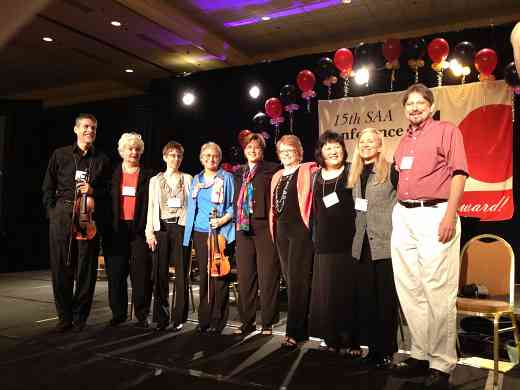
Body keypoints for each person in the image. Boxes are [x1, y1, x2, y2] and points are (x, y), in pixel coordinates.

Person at [391, 84, 468, 390]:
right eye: (409, 104)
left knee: (437, 289)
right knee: (410, 288)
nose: (414, 108)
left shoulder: (447, 130)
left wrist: (450, 215)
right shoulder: (402, 141)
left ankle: (442, 362)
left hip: (435, 212)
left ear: (431, 106)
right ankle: (420, 354)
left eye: (420, 103)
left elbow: (459, 173)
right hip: (404, 214)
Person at [42, 113, 111, 332]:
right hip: (62, 217)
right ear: (76, 129)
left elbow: (109, 192)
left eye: (93, 128)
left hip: (87, 219)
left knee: (86, 270)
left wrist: (93, 191)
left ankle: (80, 317)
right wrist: (52, 213)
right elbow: (48, 187)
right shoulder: (60, 154)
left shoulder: (102, 159)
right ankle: (64, 317)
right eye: (86, 127)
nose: (90, 130)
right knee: (61, 268)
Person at [347, 128, 398, 368]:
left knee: (385, 301)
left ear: (379, 146)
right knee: (368, 301)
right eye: (362, 141)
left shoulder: (390, 171)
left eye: (371, 141)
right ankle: (374, 350)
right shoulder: (356, 173)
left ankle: (387, 350)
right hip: (362, 246)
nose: (366, 145)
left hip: (385, 245)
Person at [309, 131, 355, 353]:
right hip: (324, 242)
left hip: (350, 241)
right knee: (327, 293)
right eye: (328, 147)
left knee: (348, 292)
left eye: (337, 146)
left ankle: (352, 339)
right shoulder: (315, 176)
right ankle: (331, 337)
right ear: (321, 152)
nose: (333, 151)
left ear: (343, 149)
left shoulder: (352, 171)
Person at [269, 135, 317, 349]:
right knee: (290, 280)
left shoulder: (308, 169)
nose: (287, 154)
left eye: (291, 150)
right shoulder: (277, 175)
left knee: (298, 280)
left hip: (300, 230)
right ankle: (302, 327)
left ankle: (294, 331)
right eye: (283, 151)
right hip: (281, 230)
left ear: (299, 152)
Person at [183, 142, 235, 334]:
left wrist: (221, 221)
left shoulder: (227, 178)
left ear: (219, 158)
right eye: (207, 156)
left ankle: (217, 320)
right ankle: (203, 319)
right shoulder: (196, 179)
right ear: (201, 158)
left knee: (219, 277)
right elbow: (192, 208)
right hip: (200, 232)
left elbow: (233, 206)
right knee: (204, 276)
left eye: (214, 156)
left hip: (220, 233)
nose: (211, 159)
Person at [103, 132, 154, 328]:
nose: (133, 152)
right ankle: (118, 314)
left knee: (141, 275)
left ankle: (142, 315)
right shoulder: (111, 174)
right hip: (116, 231)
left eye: (137, 149)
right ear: (122, 151)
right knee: (116, 274)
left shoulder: (149, 175)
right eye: (130, 149)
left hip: (140, 231)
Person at [234, 133, 280, 335]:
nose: (253, 150)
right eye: (249, 147)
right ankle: (247, 322)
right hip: (243, 229)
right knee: (245, 277)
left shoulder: (272, 170)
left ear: (262, 151)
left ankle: (268, 323)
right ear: (244, 151)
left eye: (257, 148)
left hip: (264, 227)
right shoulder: (239, 173)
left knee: (267, 276)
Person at [146, 141, 192, 331]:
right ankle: (161, 317)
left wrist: (189, 231)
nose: (175, 159)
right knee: (160, 274)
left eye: (179, 155)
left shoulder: (188, 178)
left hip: (181, 227)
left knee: (182, 274)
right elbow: (151, 207)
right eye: (172, 155)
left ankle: (179, 317)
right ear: (165, 157)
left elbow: (192, 207)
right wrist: (149, 231)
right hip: (161, 228)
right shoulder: (155, 180)